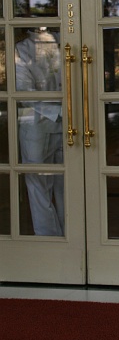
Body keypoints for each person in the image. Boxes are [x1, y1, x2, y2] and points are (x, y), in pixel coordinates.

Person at [15, 27, 64, 236]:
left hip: (40, 125)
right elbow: (24, 92)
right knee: (51, 187)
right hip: (57, 122)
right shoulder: (64, 41)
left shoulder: (22, 49)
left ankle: (55, 241)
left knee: (43, 188)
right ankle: (58, 239)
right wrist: (61, 110)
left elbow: (24, 91)